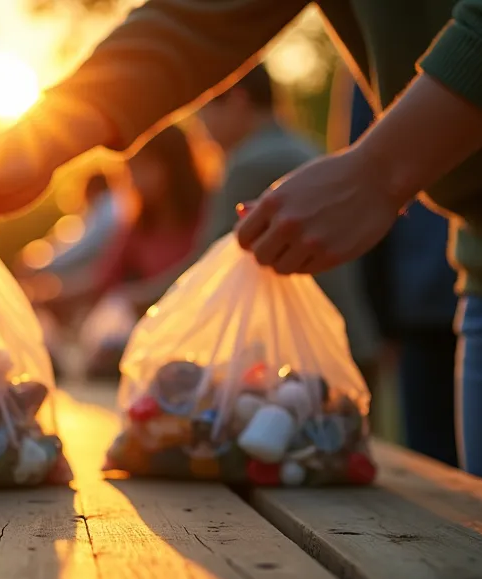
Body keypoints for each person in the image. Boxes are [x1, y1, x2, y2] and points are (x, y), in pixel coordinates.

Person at [0, 0, 482, 494]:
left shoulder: (258, 163)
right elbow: (196, 19)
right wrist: (37, 137)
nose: (198, 129)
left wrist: (381, 170)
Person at [107, 66, 382, 390]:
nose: (201, 128)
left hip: (301, 363)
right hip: (348, 341)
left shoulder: (250, 164)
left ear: (237, 100)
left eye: (204, 111)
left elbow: (207, 263)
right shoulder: (303, 148)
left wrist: (133, 302)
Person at [343, 82, 459, 467]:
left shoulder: (375, 36)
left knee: (437, 462)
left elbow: (359, 187)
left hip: (423, 295)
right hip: (437, 294)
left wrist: (381, 318)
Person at [75, 126, 205, 377]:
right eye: (130, 170)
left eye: (142, 167)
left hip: (195, 330)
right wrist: (49, 292)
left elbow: (199, 276)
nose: (134, 179)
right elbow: (102, 278)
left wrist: (140, 297)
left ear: (172, 166)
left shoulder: (207, 215)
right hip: (152, 331)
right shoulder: (139, 223)